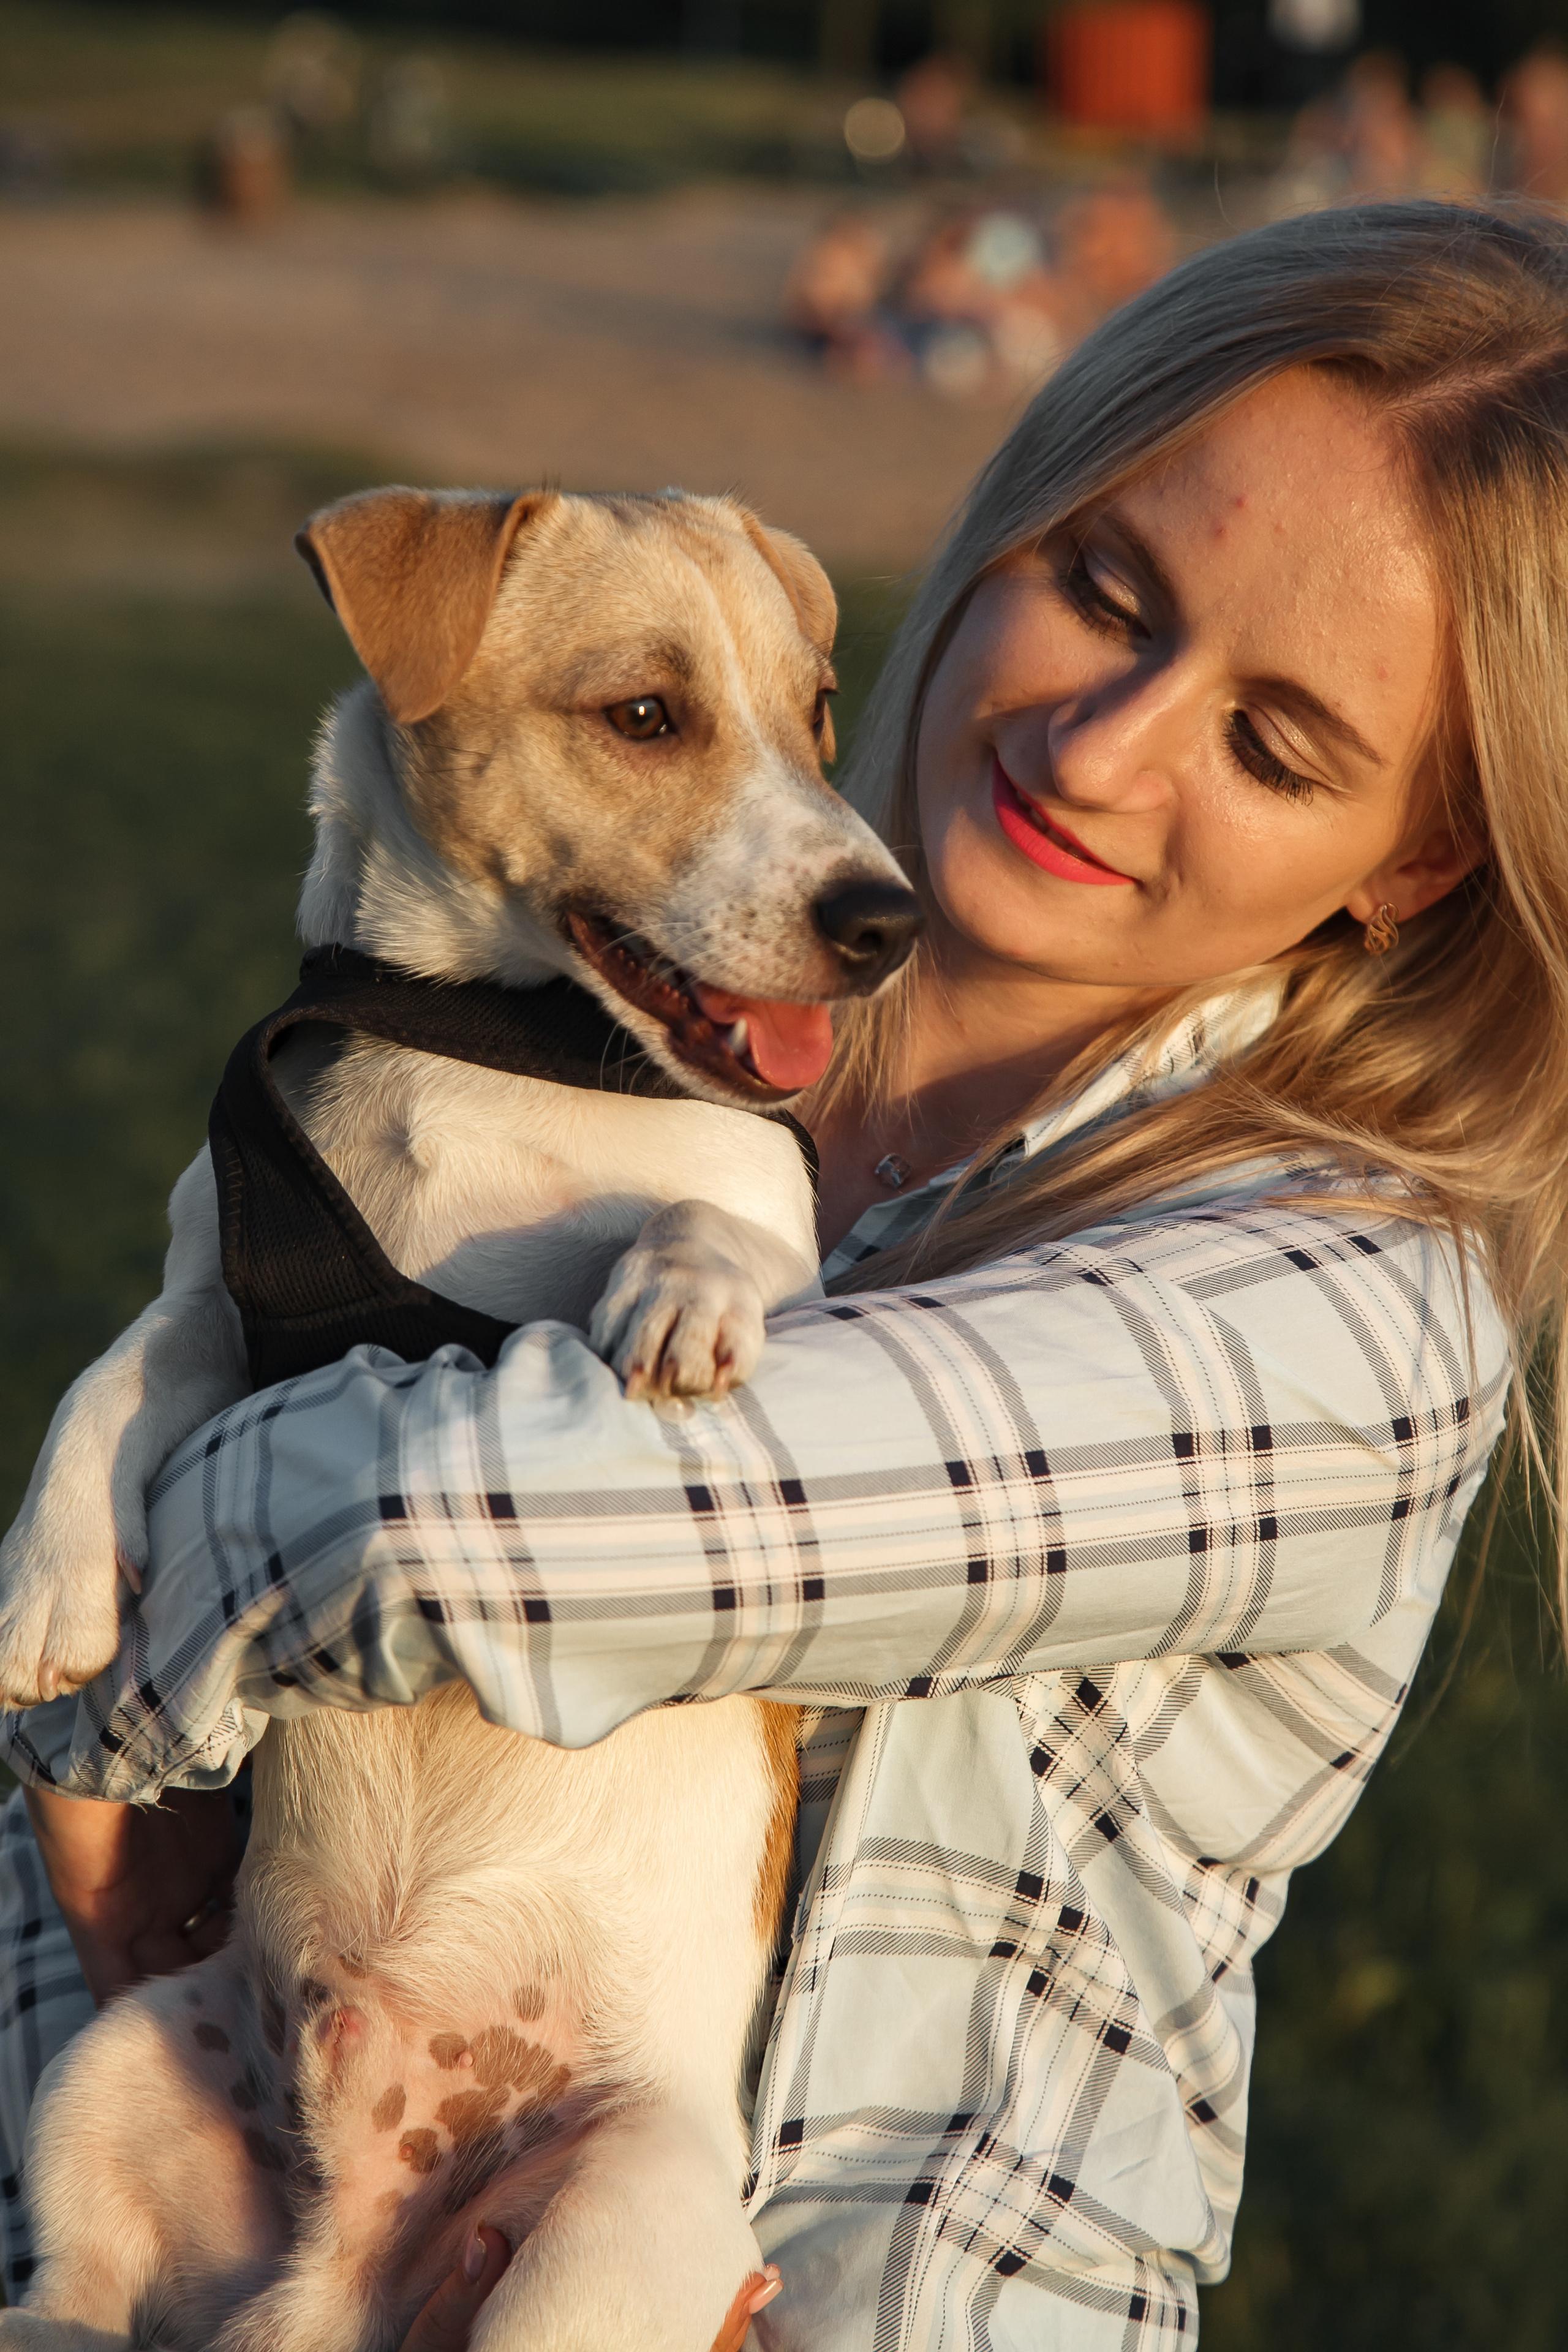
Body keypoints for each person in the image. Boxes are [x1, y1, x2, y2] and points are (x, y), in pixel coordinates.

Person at [4, 198, 1567, 2346]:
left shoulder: (1348, 1317)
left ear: (1415, 862)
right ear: (1007, 523)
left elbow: (451, 1534)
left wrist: (130, 1645)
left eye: (1277, 744)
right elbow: (86, 1882)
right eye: (1106, 591)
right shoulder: (654, 1038)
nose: (1102, 750)